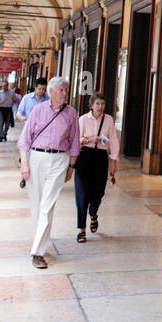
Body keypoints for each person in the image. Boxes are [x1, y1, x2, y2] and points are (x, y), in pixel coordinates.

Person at [17, 75, 80, 269]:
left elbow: (75, 143)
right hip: (37, 158)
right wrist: (25, 165)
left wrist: (71, 166)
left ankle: (37, 251)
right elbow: (25, 140)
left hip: (59, 160)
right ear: (51, 92)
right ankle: (41, 240)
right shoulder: (38, 110)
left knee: (47, 204)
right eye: (61, 90)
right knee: (37, 205)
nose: (64, 94)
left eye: (66, 90)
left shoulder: (71, 113)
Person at [74, 93, 119, 241]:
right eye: (97, 104)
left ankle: (93, 213)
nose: (100, 107)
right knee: (82, 194)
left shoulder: (108, 120)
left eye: (103, 104)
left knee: (98, 192)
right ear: (91, 105)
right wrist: (90, 139)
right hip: (84, 157)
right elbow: (76, 140)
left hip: (100, 157)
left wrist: (114, 161)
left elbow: (113, 140)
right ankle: (81, 229)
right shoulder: (83, 119)